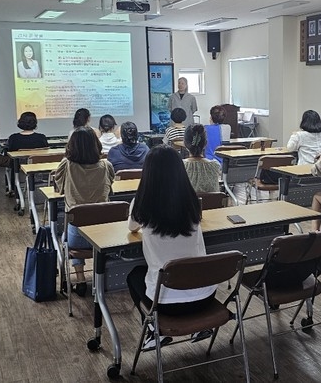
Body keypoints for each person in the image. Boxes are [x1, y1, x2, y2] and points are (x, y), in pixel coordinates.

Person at [126, 145, 217, 349]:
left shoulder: (141, 203)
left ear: (147, 172)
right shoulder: (192, 200)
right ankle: (199, 326)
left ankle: (153, 331)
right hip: (205, 298)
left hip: (166, 305)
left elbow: (132, 228)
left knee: (133, 275)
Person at [54, 127, 115, 296]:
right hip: (106, 236)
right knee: (89, 218)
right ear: (96, 144)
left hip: (77, 238)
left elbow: (59, 189)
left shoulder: (66, 165)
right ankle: (98, 278)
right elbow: (110, 189)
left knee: (74, 224)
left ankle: (80, 279)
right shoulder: (106, 165)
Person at [183, 124, 221, 192]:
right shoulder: (215, 165)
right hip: (211, 202)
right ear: (205, 143)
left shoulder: (180, 166)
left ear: (185, 144)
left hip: (187, 203)